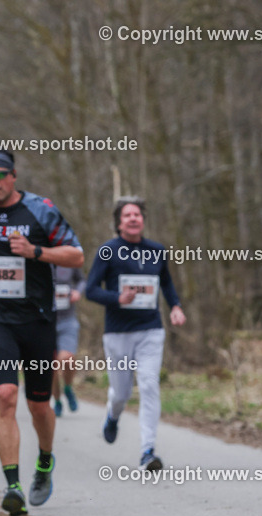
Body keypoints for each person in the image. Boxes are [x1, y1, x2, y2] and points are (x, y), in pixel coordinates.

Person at [0, 149, 83, 515]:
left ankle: (45, 461)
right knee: (5, 394)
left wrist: (35, 251)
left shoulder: (41, 210)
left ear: (13, 176)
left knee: (39, 405)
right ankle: (12, 484)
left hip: (38, 320)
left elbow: (76, 255)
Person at [85, 196, 186, 471]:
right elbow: (90, 290)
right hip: (118, 333)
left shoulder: (156, 250)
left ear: (143, 220)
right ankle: (113, 415)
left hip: (150, 330)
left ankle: (147, 451)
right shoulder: (108, 250)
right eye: (127, 215)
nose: (133, 218)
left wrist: (176, 306)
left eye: (137, 214)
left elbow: (166, 283)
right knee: (122, 393)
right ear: (119, 222)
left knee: (150, 385)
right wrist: (117, 298)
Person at [52, 265, 85, 416]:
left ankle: (68, 387)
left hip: (67, 320)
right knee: (50, 367)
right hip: (46, 321)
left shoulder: (68, 258)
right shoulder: (38, 256)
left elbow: (82, 280)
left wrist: (77, 291)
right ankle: (57, 401)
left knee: (68, 358)